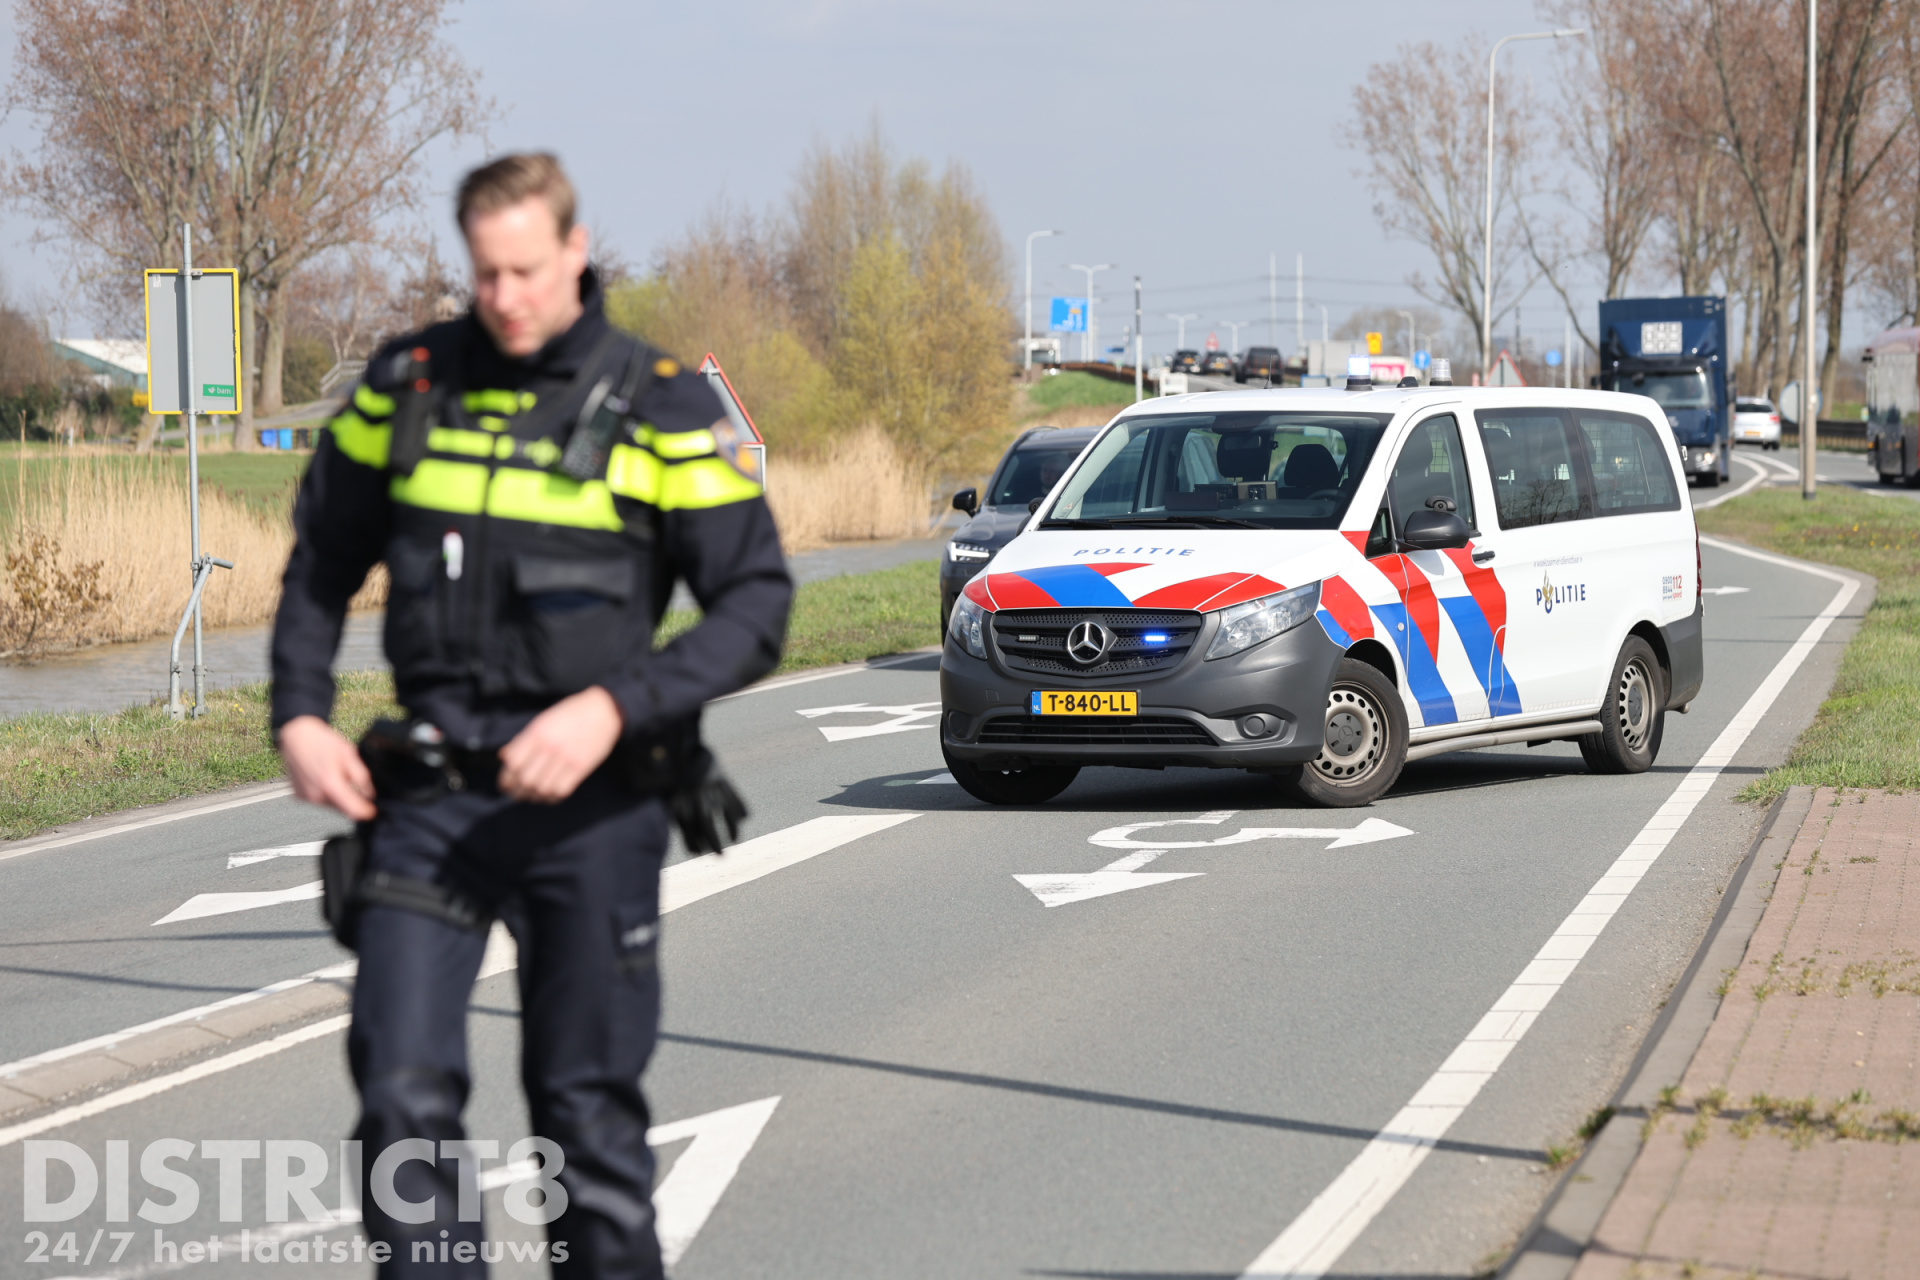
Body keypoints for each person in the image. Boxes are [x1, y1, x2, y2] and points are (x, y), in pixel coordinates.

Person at [270, 152, 791, 1277]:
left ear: (575, 250)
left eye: (526, 271)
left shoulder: (661, 403)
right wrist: (299, 712)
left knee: (583, 1120)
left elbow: (757, 606)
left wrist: (612, 708)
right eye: (485, 274)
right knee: (399, 1101)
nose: (504, 297)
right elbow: (319, 563)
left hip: (593, 810)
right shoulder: (407, 385)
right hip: (431, 804)